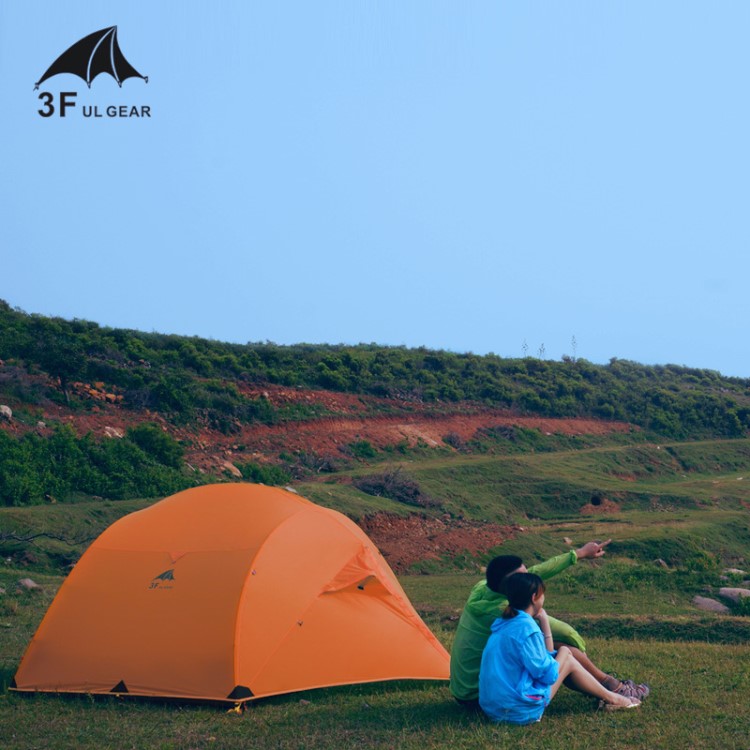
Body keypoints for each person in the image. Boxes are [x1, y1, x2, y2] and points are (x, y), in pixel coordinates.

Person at [450, 540, 649, 706]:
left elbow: (537, 571)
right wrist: (576, 647)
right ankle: (614, 690)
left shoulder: (482, 589)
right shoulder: (507, 612)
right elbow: (564, 633)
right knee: (564, 649)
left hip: (468, 690)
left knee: (559, 652)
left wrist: (578, 554)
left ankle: (611, 688)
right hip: (480, 696)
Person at [479, 573, 640, 724]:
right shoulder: (526, 628)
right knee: (567, 656)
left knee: (566, 657)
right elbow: (546, 675)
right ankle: (614, 698)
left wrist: (544, 621)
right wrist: (563, 652)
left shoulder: (506, 623)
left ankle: (611, 697)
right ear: (534, 597)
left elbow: (545, 658)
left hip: (493, 709)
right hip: (516, 711)